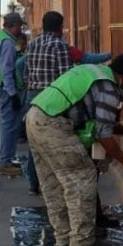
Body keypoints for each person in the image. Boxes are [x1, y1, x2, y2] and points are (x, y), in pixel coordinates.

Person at [25, 54, 123, 246]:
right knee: (82, 177)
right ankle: (82, 242)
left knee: (54, 183)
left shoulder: (96, 73)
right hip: (54, 124)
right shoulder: (109, 87)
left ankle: (64, 238)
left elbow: (104, 122)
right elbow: (105, 134)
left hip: (36, 117)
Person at [22, 11, 73, 195]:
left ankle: (34, 183)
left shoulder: (33, 43)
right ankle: (54, 182)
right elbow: (66, 77)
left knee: (34, 141)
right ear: (60, 27)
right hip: (52, 98)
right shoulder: (60, 45)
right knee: (55, 139)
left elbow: (25, 71)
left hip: (32, 96)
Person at [0, 13, 24, 176]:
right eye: (19, 26)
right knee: (10, 125)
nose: (21, 30)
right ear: (13, 25)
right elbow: (7, 70)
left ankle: (5, 158)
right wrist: (13, 94)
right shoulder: (8, 43)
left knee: (5, 123)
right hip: (6, 87)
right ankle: (5, 162)